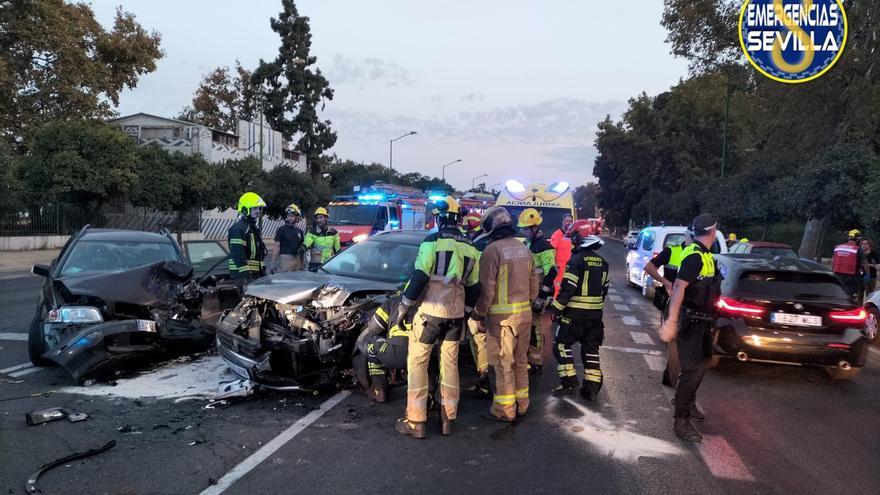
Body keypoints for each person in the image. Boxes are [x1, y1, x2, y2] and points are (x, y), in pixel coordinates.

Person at [395, 196, 480, 439]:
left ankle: (416, 421)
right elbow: (475, 286)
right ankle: (447, 419)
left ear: (440, 218)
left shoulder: (432, 241)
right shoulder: (472, 247)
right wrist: (465, 313)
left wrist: (404, 307)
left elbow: (420, 275)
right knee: (450, 365)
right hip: (455, 316)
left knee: (418, 364)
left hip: (430, 314)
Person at [659, 213, 721, 442]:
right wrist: (671, 321)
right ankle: (681, 420)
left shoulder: (705, 254)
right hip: (691, 320)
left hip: (703, 319)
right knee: (692, 369)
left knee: (704, 362)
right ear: (713, 231)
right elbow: (678, 287)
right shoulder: (694, 255)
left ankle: (688, 401)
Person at [472, 206, 538, 422]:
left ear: (491, 228)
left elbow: (487, 289)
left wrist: (479, 314)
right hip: (524, 317)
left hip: (501, 321)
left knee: (502, 364)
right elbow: (534, 285)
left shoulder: (492, 251)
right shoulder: (524, 249)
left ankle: (505, 409)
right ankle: (522, 405)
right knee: (520, 362)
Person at [548, 221, 609, 400]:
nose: (571, 242)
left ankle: (569, 383)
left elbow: (568, 288)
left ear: (579, 237)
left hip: (574, 316)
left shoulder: (575, 261)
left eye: (573, 238)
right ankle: (591, 389)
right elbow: (604, 290)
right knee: (591, 350)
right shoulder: (603, 262)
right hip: (595, 316)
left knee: (561, 345)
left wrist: (555, 309)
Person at [643, 229, 693, 387]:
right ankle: (673, 379)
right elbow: (648, 267)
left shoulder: (703, 255)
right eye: (692, 237)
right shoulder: (672, 251)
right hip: (673, 303)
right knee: (674, 343)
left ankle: (672, 376)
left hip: (693, 305)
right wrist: (665, 282)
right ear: (687, 236)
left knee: (682, 342)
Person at [517, 208, 557, 374]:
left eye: (525, 229)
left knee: (535, 328)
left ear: (534, 228)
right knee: (527, 326)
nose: (523, 232)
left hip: (538, 293)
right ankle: (528, 357)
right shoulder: (528, 244)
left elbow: (551, 271)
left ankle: (536, 361)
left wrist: (541, 297)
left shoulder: (544, 246)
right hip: (528, 292)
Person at [353, 292, 411, 403]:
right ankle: (430, 395)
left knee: (371, 344)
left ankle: (379, 391)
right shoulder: (430, 304)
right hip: (421, 353)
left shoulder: (393, 302)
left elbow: (373, 328)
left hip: (397, 353)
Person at [227, 192, 268, 283]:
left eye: (259, 208)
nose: (258, 211)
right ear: (245, 209)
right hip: (243, 276)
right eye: (255, 208)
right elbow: (237, 255)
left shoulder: (252, 228)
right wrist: (246, 276)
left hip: (255, 274)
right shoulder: (239, 228)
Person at [832, 229, 870, 304]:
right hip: (852, 277)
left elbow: (833, 260)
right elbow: (864, 263)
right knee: (850, 297)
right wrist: (867, 274)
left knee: (838, 294)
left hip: (837, 275)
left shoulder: (838, 247)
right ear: (857, 239)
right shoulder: (858, 249)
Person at [303, 207, 341, 272]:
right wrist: (303, 247)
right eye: (317, 218)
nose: (319, 220)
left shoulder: (333, 232)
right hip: (315, 264)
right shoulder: (312, 232)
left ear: (326, 218)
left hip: (328, 264)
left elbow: (338, 250)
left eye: (321, 217)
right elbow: (306, 244)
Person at [272, 203, 305, 273]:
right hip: (285, 260)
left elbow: (301, 250)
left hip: (297, 260)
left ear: (296, 217)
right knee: (286, 279)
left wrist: (302, 265)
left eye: (292, 216)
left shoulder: (300, 232)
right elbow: (276, 246)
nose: (290, 218)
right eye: (288, 215)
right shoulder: (281, 230)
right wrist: (273, 263)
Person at [550, 214, 574, 296]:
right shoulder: (557, 234)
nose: (569, 223)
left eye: (570, 221)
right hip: (559, 269)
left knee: (569, 290)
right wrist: (554, 265)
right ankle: (555, 302)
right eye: (567, 221)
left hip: (570, 269)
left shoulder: (573, 235)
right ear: (563, 222)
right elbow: (552, 251)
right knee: (557, 290)